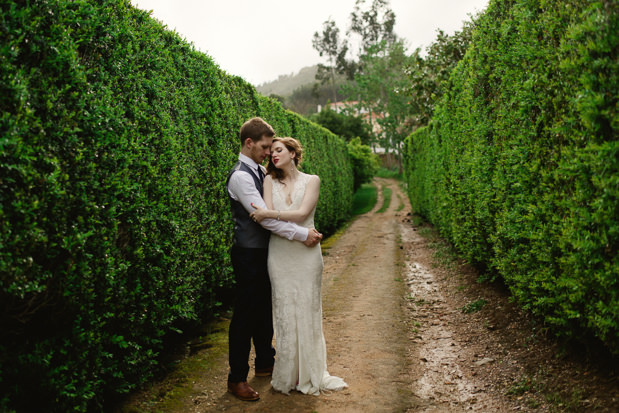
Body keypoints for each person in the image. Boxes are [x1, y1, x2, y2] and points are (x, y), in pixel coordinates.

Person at [225, 118, 322, 402]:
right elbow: (266, 220)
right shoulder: (241, 177)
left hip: (268, 252)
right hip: (248, 253)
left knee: (265, 309)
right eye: (265, 147)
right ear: (249, 143)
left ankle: (266, 362)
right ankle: (237, 378)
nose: (268, 153)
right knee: (244, 315)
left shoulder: (264, 173)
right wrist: (301, 233)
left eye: (272, 147)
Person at [250, 137, 347, 395]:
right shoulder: (269, 181)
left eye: (279, 150)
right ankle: (289, 374)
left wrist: (269, 213)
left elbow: (302, 214)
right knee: (283, 311)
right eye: (271, 152)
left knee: (307, 308)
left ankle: (311, 372)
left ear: (293, 153)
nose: (273, 155)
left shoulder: (312, 180)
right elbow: (270, 222)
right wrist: (270, 216)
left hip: (307, 255)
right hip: (280, 255)